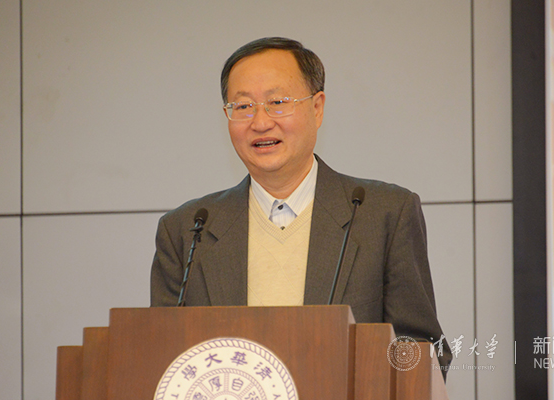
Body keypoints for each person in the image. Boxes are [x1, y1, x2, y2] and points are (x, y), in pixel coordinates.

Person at [150, 37, 451, 370]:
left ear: (317, 108)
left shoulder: (383, 214)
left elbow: (421, 353)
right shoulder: (187, 230)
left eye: (278, 102)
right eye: (243, 106)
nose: (260, 122)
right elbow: (163, 359)